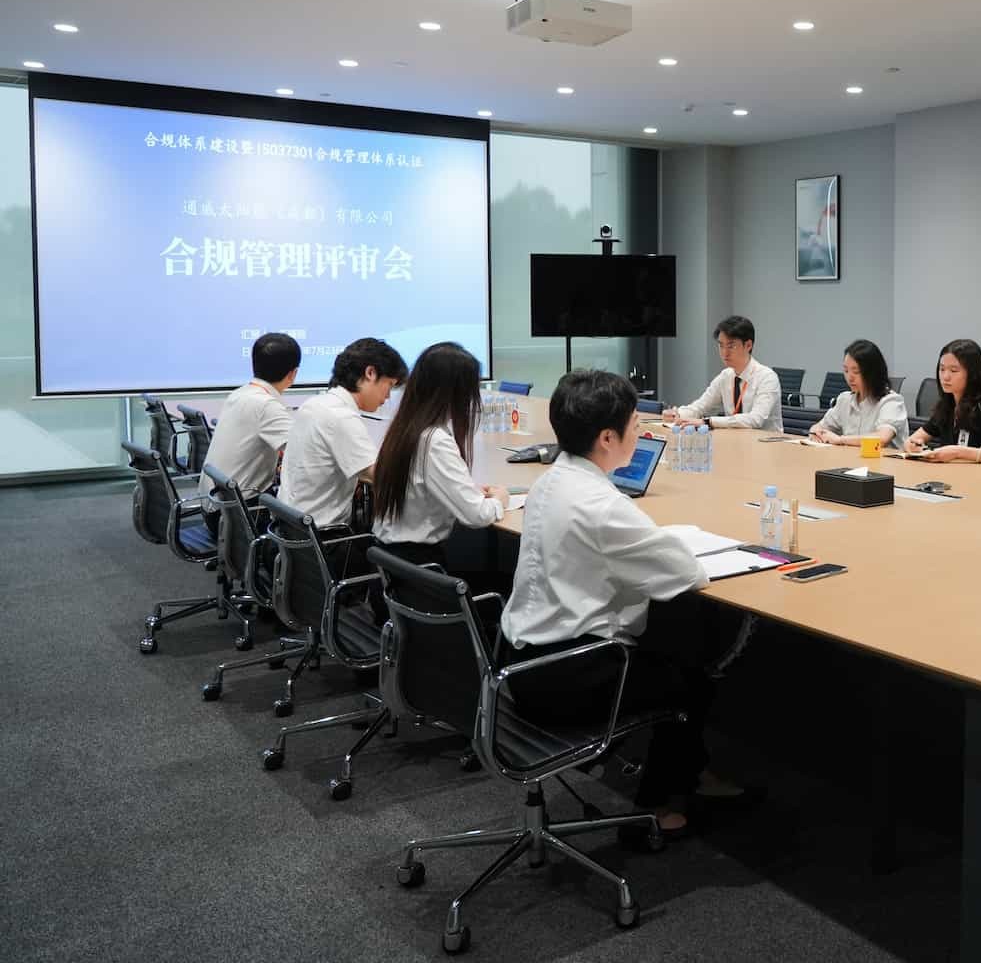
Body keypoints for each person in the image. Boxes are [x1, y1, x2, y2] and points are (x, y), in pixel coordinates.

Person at [502, 369, 753, 840]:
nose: (642, 434)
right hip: (565, 677)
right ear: (606, 438)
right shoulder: (603, 505)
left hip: (519, 661)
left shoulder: (551, 481)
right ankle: (658, 806)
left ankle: (689, 771)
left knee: (666, 637)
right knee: (691, 676)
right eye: (636, 425)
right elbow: (687, 573)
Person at [370, 342, 509, 577]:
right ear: (456, 392)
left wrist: (464, 489)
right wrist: (500, 500)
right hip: (419, 571)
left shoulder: (406, 428)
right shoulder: (434, 441)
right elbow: (476, 515)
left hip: (392, 563)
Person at [279, 336, 406, 546]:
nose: (387, 397)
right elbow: (380, 476)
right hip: (324, 541)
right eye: (389, 385)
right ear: (370, 373)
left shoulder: (315, 404)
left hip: (293, 531)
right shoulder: (341, 416)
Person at [199, 331, 301, 534]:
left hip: (214, 506)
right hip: (238, 517)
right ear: (293, 374)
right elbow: (304, 454)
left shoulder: (239, 394)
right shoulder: (267, 405)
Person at [904, 339, 981, 465]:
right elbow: (912, 440)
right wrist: (913, 445)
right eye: (942, 369)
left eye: (953, 371)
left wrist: (958, 452)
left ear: (972, 374)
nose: (945, 377)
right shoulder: (947, 406)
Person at [664, 315, 782, 433]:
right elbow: (701, 406)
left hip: (765, 442)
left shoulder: (767, 378)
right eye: (721, 345)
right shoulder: (726, 376)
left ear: (748, 345)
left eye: (731, 346)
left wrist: (708, 422)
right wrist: (677, 414)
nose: (725, 353)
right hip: (735, 439)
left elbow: (755, 420)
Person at [808, 339, 909, 447]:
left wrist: (840, 440)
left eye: (856, 372)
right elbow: (819, 427)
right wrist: (815, 433)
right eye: (846, 371)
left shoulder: (891, 401)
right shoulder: (844, 400)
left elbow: (882, 438)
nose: (849, 378)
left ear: (873, 372)